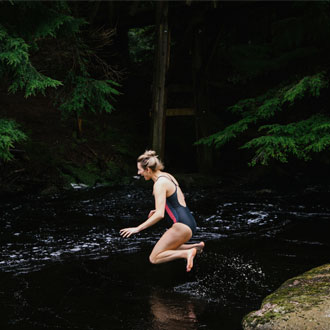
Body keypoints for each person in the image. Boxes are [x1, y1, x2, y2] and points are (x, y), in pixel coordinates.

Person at [120, 150, 204, 272]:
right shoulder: (167, 176)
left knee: (154, 258)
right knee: (167, 247)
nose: (139, 173)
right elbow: (179, 199)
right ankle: (196, 247)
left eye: (140, 170)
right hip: (190, 223)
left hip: (181, 226)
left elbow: (160, 215)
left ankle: (187, 253)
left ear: (148, 169)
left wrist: (137, 228)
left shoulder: (159, 184)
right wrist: (161, 208)